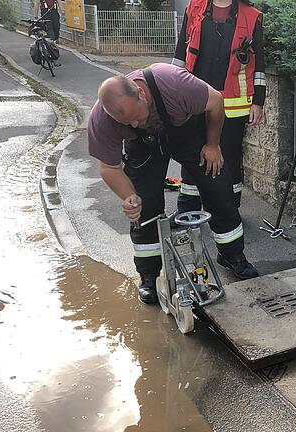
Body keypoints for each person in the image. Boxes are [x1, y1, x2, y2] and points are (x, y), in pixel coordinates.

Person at [87, 63, 259, 305]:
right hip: (143, 147)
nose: (134, 125)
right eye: (126, 123)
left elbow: (215, 101)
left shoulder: (173, 83)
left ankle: (232, 255)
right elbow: (108, 167)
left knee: (218, 185)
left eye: (137, 117)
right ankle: (148, 275)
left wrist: (211, 145)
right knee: (144, 204)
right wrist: (129, 197)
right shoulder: (102, 118)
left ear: (141, 94)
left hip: (185, 130)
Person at [172, 0, 266, 211]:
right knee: (192, 155)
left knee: (230, 159)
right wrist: (174, 90)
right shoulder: (194, 7)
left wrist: (258, 101)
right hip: (195, 99)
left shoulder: (252, 16)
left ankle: (229, 210)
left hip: (233, 106)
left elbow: (259, 64)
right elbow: (180, 55)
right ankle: (189, 211)